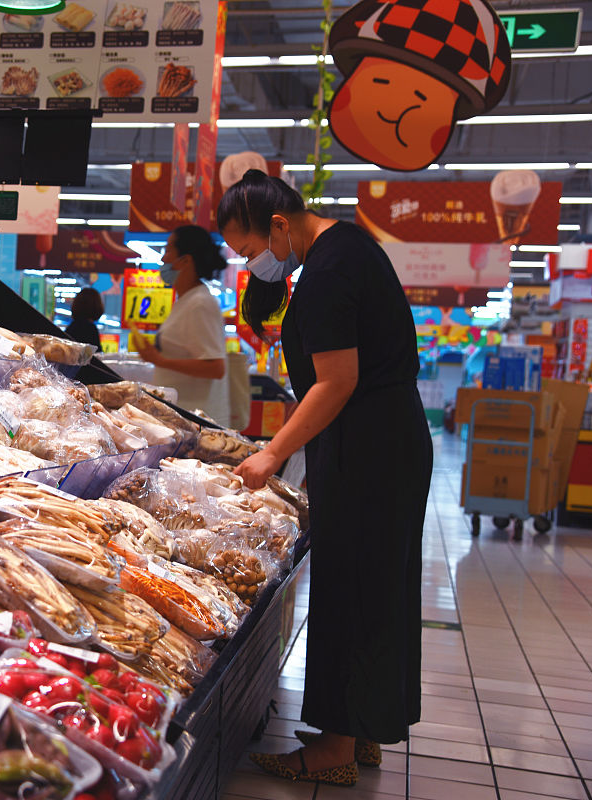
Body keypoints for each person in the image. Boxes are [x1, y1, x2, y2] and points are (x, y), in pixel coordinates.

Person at [217, 170, 431, 787]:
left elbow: (336, 382)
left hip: (368, 448)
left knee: (350, 585)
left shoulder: (330, 272)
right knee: (377, 585)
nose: (250, 263)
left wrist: (269, 455)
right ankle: (360, 725)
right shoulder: (350, 246)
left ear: (279, 225)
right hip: (385, 441)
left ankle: (334, 750)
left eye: (250, 249)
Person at [134, 224, 230, 427]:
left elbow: (215, 367)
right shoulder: (186, 300)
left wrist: (159, 359)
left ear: (185, 260)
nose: (162, 259)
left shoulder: (200, 303)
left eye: (168, 250)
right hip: (183, 417)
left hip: (196, 421)